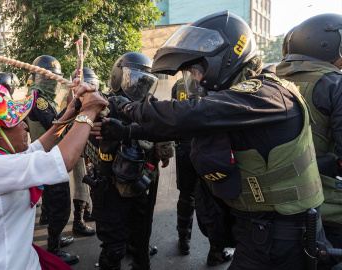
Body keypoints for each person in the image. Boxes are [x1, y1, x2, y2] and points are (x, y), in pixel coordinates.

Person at [82, 11, 328, 269]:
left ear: (227, 60)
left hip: (283, 234)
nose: (195, 79)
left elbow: (188, 116)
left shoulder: (265, 94)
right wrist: (127, 132)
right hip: (260, 228)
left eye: (198, 71)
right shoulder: (239, 101)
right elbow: (184, 131)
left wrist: (127, 108)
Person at [0, 81, 107, 269]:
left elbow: (36, 149)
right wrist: (89, 111)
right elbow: (63, 160)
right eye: (17, 122)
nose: (25, 127)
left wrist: (70, 113)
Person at [84, 52, 165, 270]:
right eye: (135, 79)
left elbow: (164, 134)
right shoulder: (102, 106)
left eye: (145, 81)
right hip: (109, 188)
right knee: (114, 250)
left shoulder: (146, 110)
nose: (140, 87)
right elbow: (87, 145)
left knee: (140, 240)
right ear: (117, 77)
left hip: (139, 185)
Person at [276, 13, 342, 250]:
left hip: (282, 201)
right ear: (326, 46)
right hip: (329, 203)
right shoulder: (334, 84)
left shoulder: (274, 79)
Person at [170, 79, 232, 265]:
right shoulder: (216, 82)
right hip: (207, 148)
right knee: (213, 200)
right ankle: (216, 250)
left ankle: (184, 240)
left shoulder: (179, 85)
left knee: (186, 196)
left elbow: (174, 114)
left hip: (184, 147)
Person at [25, 55, 78, 264]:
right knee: (61, 204)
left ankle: (54, 238)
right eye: (52, 79)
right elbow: (54, 125)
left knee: (52, 203)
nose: (55, 84)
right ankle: (54, 247)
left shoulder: (39, 96)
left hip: (44, 156)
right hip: (48, 157)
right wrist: (72, 107)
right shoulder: (40, 99)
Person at [69, 67, 98, 237]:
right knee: (80, 185)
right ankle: (78, 222)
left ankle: (87, 213)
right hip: (77, 149)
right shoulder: (73, 101)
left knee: (90, 181)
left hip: (88, 149)